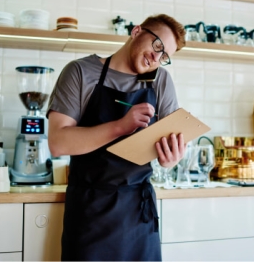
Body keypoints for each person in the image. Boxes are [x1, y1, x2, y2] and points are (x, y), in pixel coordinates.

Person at [47, 13, 186, 261]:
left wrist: (171, 158)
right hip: (90, 211)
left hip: (138, 214)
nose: (157, 57)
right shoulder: (80, 72)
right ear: (136, 32)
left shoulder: (160, 80)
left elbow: (171, 142)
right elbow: (58, 143)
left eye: (165, 56)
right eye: (157, 46)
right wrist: (121, 126)